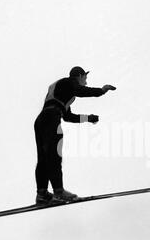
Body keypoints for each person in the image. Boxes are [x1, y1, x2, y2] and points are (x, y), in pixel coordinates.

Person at [34, 66, 116, 204]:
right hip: (51, 118)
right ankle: (59, 192)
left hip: (41, 120)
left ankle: (42, 194)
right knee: (54, 155)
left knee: (44, 157)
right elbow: (81, 91)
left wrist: (88, 118)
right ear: (79, 76)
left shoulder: (62, 90)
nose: (86, 80)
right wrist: (101, 91)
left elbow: (68, 117)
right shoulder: (70, 82)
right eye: (85, 77)